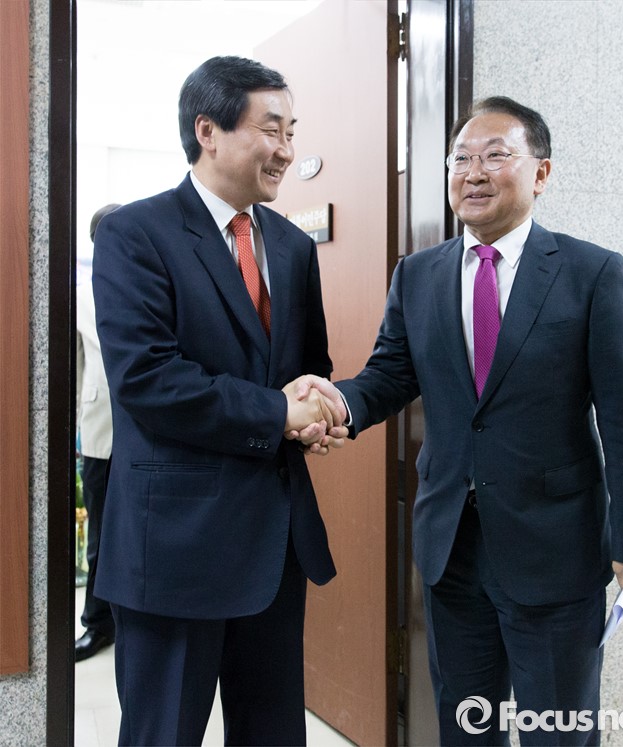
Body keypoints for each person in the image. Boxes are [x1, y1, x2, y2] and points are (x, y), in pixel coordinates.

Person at [293, 96, 623, 746]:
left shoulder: (591, 273)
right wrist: (336, 404)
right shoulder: (418, 275)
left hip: (555, 551)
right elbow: (389, 377)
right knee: (466, 728)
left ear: (540, 173)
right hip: (452, 549)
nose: (474, 172)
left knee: (558, 732)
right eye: (460, 159)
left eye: (496, 155)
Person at [91, 56, 344, 747]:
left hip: (275, 545)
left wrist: (314, 410)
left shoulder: (291, 246)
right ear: (208, 130)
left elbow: (307, 367)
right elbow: (147, 378)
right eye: (272, 129)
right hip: (174, 549)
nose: (287, 150)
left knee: (272, 733)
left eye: (292, 132)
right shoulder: (136, 233)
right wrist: (277, 413)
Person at [75, 203, 121, 662]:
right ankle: (98, 622)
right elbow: (74, 368)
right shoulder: (80, 297)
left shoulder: (155, 283)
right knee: (101, 535)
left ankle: (138, 621)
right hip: (101, 435)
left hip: (151, 436)